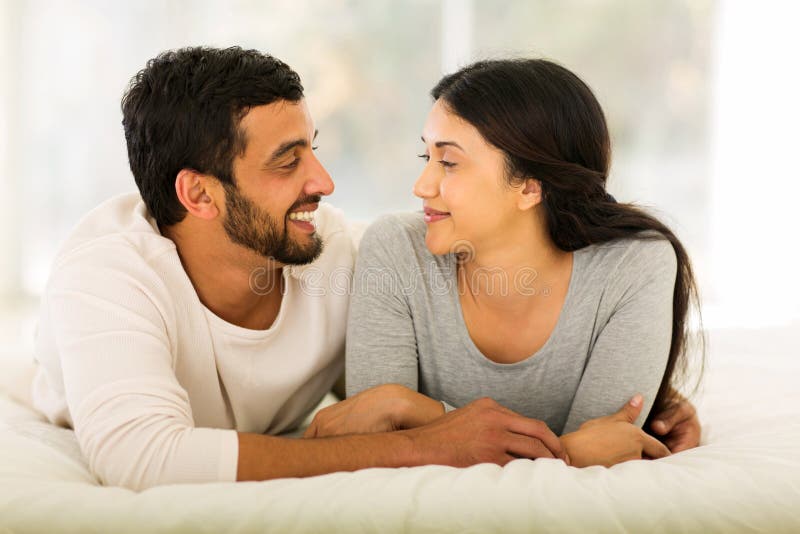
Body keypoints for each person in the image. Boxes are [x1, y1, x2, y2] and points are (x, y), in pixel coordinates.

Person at [30, 47, 699, 491]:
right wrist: (423, 445)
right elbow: (142, 458)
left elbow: (400, 394)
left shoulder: (343, 256)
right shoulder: (106, 273)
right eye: (287, 162)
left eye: (313, 151)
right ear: (198, 194)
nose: (323, 181)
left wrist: (639, 394)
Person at [310, 59, 704, 467]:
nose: (421, 186)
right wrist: (569, 451)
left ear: (531, 186)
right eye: (425, 156)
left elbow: (609, 445)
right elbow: (378, 440)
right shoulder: (396, 250)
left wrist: (410, 409)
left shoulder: (636, 266)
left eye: (448, 163)